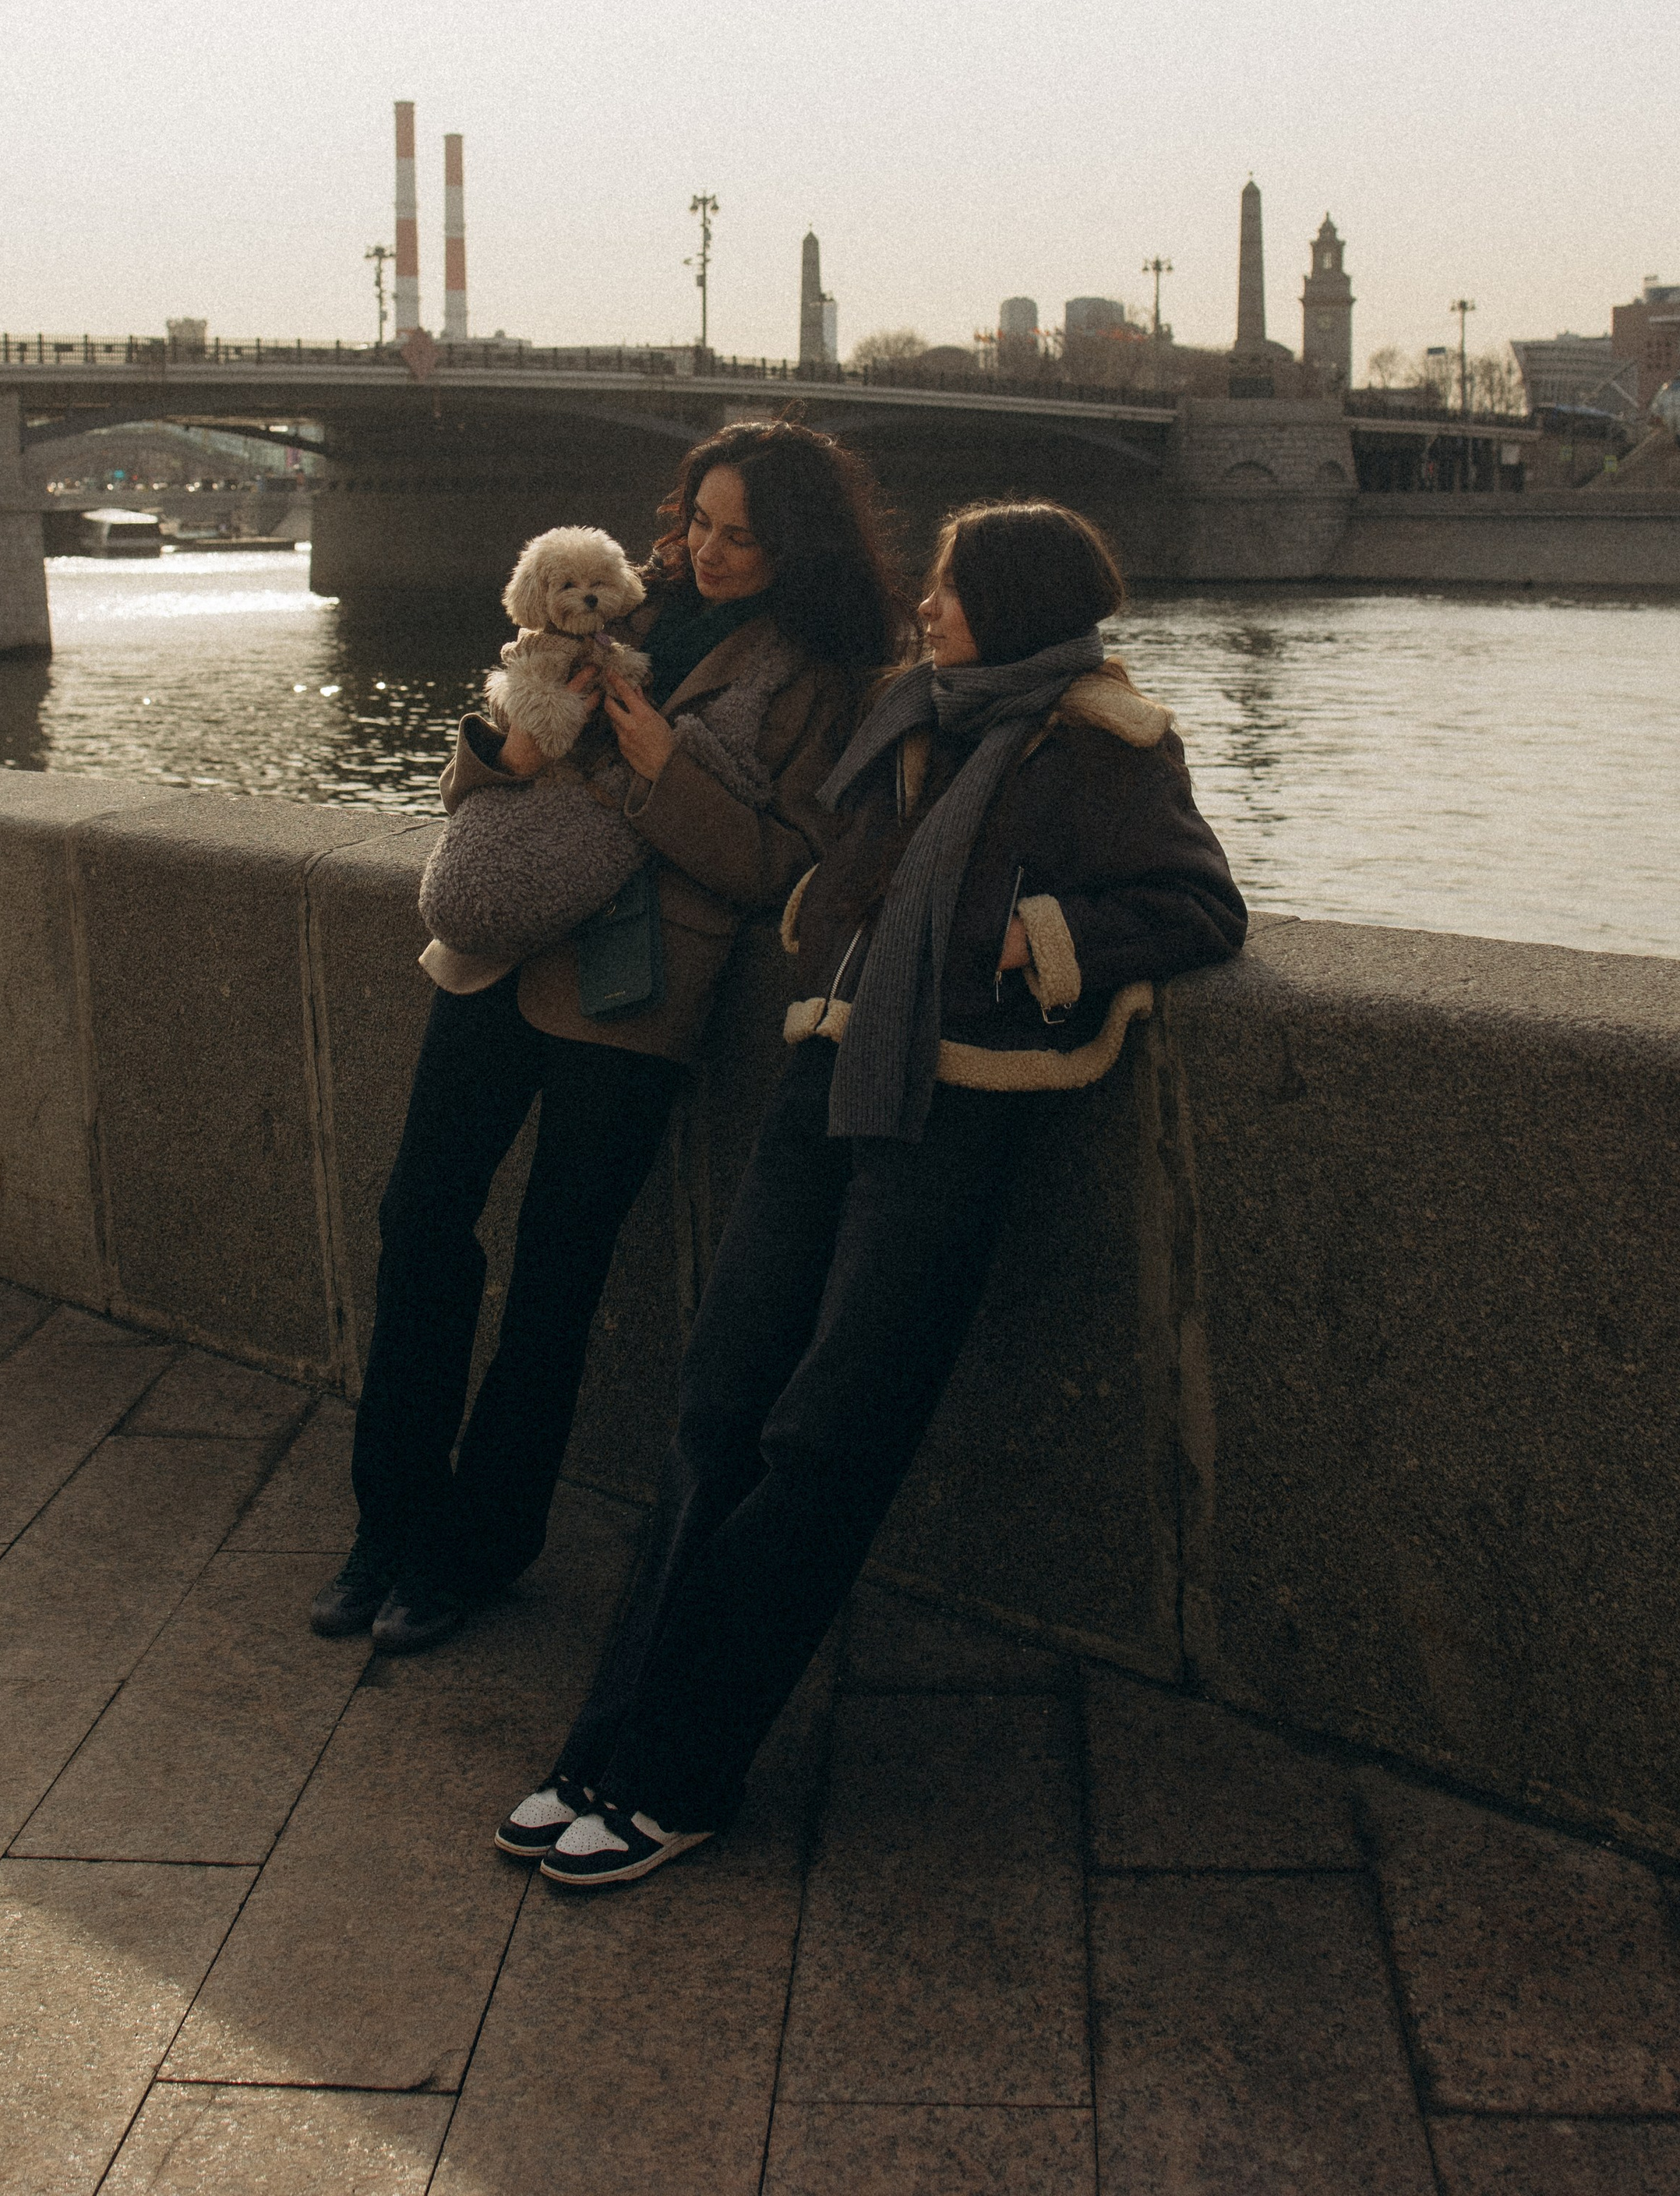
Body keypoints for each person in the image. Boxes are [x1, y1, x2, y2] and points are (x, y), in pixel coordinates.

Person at [496, 498, 1247, 1884]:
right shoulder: (926, 709)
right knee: (720, 1406)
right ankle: (603, 1743)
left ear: (1012, 601)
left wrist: (1052, 934)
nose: (928, 605)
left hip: (960, 1107)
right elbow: (853, 864)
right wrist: (823, 931)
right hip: (829, 1077)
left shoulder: (1106, 742)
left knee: (824, 1440)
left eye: (953, 587)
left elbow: (1202, 906)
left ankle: (678, 1774)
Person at [311, 421, 909, 1652]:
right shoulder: (598, 612)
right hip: (497, 951)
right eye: (698, 520)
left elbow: (774, 869)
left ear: (797, 542)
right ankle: (389, 1521)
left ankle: (476, 1548)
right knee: (419, 1218)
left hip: (635, 996)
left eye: (742, 534)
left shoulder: (825, 675)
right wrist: (498, 747)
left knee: (555, 1277)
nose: (710, 549)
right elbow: (470, 787)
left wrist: (655, 765)